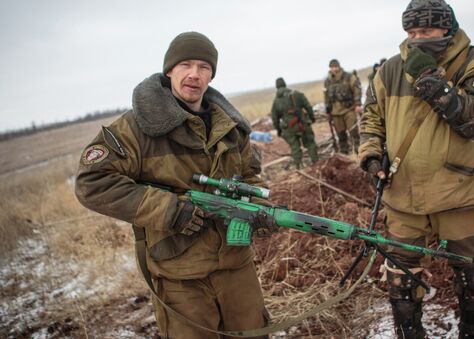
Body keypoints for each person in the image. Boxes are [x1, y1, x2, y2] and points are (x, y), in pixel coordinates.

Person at [75, 32, 276, 338]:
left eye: (204, 67)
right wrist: (168, 209)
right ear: (169, 70)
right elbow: (92, 182)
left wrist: (258, 211)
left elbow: (249, 178)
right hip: (180, 277)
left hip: (237, 269)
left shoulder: (231, 127)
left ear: (212, 74)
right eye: (185, 65)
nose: (195, 74)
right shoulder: (136, 127)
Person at [359, 1, 474, 337]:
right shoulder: (390, 70)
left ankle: (473, 333)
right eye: (411, 32)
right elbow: (371, 120)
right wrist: (371, 156)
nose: (417, 38)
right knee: (400, 279)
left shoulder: (473, 61)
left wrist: (434, 82)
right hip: (404, 193)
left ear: (446, 28)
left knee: (472, 276)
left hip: (460, 189)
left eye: (425, 31)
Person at [271, 77, 319, 169]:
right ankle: (316, 163)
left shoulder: (276, 101)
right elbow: (308, 107)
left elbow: (274, 118)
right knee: (310, 143)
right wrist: (312, 118)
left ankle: (298, 167)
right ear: (285, 84)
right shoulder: (297, 94)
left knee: (295, 147)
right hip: (302, 124)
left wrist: (279, 130)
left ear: (277, 87)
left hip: (288, 128)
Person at [324, 59, 362, 154]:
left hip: (349, 109)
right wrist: (328, 109)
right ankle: (344, 153)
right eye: (332, 67)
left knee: (353, 132)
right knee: (341, 134)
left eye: (336, 67)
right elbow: (326, 95)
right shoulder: (327, 81)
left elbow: (357, 89)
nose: (334, 69)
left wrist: (357, 104)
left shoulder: (349, 77)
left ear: (339, 66)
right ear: (330, 68)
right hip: (335, 112)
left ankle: (359, 151)